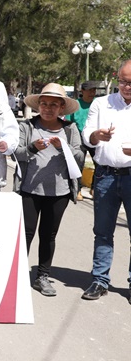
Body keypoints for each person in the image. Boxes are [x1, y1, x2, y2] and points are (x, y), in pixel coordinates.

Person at [14, 83, 83, 296]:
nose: (48, 108)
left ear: (62, 108)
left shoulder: (69, 129)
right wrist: (33, 147)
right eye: (44, 104)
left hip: (59, 192)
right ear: (38, 106)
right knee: (25, 233)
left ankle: (42, 276)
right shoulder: (27, 126)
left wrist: (64, 147)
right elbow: (15, 153)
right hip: (29, 189)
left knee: (48, 235)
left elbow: (80, 157)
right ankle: (15, 276)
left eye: (54, 104)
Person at [80, 60, 131, 301]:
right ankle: (100, 280)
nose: (126, 87)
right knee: (102, 231)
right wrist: (96, 135)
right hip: (105, 175)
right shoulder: (102, 104)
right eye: (122, 81)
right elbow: (87, 135)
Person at [67, 80, 99, 201]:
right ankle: (78, 189)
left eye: (94, 90)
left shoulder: (98, 103)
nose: (92, 93)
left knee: (99, 163)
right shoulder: (75, 104)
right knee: (79, 163)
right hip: (79, 137)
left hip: (94, 136)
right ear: (83, 91)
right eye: (90, 90)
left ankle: (94, 188)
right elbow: (68, 122)